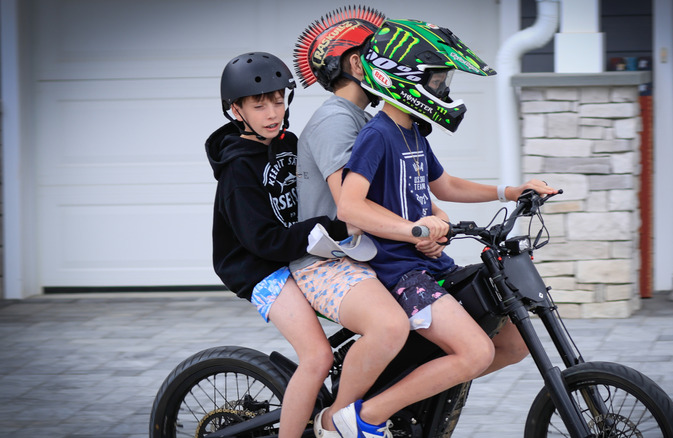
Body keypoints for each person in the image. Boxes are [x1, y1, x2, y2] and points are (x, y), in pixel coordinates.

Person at [335, 19, 558, 438]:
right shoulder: (377, 135)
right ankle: (364, 418)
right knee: (475, 352)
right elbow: (349, 205)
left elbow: (446, 185)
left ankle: (416, 392)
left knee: (514, 343)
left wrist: (511, 190)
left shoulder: (413, 131)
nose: (442, 89)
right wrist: (414, 232)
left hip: (429, 266)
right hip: (400, 273)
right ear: (403, 78)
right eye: (436, 79)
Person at [291, 7, 424, 438]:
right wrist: (413, 232)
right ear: (355, 63)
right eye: (381, 57)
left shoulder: (363, 118)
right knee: (390, 326)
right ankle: (340, 424)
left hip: (361, 255)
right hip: (326, 262)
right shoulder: (334, 119)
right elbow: (349, 207)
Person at [206, 51, 349, 438]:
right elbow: (263, 241)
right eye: (259, 104)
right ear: (236, 110)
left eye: (278, 100)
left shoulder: (288, 142)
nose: (272, 112)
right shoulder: (237, 169)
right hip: (260, 266)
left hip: (298, 251)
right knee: (317, 357)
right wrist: (328, 226)